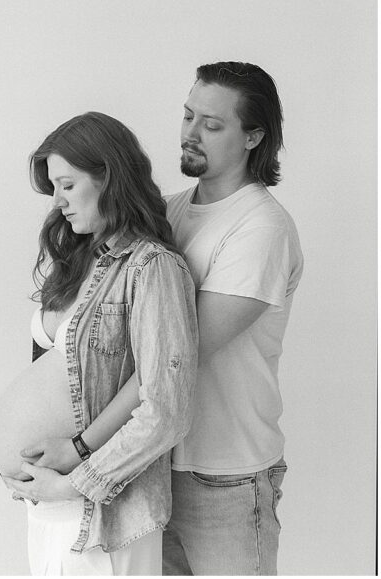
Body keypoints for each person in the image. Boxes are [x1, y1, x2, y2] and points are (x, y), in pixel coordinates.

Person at [0, 112, 199, 575]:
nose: (58, 201)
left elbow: (166, 411)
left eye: (67, 184)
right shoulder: (78, 261)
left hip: (99, 512)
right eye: (54, 187)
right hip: (46, 506)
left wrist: (80, 475)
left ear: (108, 176)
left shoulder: (152, 268)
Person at [161, 62, 303, 575]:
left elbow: (177, 353)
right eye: (187, 115)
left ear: (253, 137)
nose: (190, 134)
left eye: (213, 125)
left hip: (227, 477)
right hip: (153, 470)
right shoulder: (165, 212)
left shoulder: (260, 228)